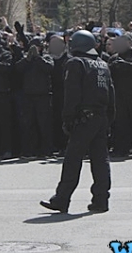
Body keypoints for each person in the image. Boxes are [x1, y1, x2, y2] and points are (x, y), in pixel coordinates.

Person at [41, 29, 115, 214]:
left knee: (72, 160)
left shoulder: (75, 63)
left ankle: (62, 198)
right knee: (100, 160)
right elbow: (111, 94)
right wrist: (109, 120)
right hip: (101, 117)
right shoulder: (103, 64)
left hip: (83, 118)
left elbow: (72, 94)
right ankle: (101, 200)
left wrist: (67, 119)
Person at [14, 38, 55, 158]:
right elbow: (18, 68)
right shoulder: (27, 59)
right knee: (28, 124)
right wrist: (28, 59)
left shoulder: (46, 57)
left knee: (44, 124)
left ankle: (46, 150)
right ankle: (29, 150)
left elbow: (49, 68)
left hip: (43, 96)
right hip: (28, 96)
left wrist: (38, 58)